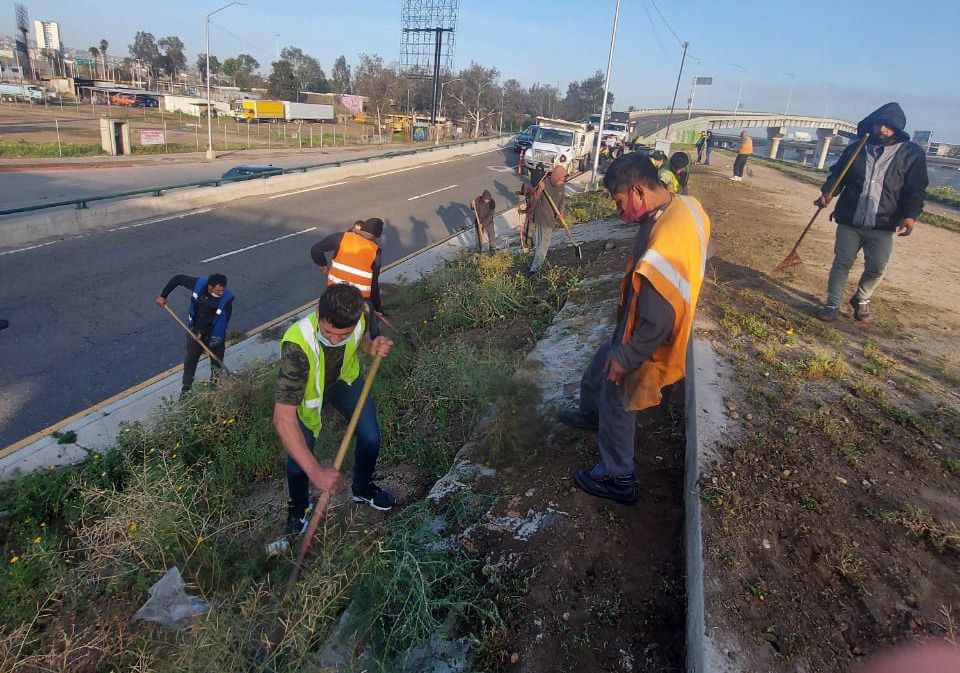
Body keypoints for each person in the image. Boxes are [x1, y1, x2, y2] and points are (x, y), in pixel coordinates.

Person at [558, 152, 710, 504]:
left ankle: (617, 476)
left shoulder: (665, 243)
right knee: (599, 366)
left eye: (619, 201)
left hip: (646, 335)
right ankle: (589, 412)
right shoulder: (686, 206)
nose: (618, 211)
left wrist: (627, 356)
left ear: (639, 191)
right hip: (636, 319)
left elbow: (658, 322)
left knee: (618, 394)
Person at [273, 283, 396, 536]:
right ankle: (298, 509)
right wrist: (316, 472)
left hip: (345, 381)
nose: (335, 340)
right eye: (329, 332)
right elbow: (283, 418)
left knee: (371, 437)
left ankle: (362, 489)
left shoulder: (360, 315)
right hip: (308, 396)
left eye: (343, 334)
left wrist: (371, 347)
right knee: (299, 462)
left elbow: (361, 338)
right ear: (319, 312)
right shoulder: (297, 345)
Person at [815, 102, 928, 324]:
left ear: (897, 129)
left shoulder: (912, 153)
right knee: (842, 263)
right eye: (880, 125)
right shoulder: (856, 148)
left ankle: (862, 298)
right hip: (850, 218)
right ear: (872, 125)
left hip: (884, 222)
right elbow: (839, 176)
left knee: (877, 267)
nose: (883, 130)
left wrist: (910, 216)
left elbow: (915, 189)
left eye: (889, 127)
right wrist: (827, 193)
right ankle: (832, 304)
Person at [155, 273, 234, 395]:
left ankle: (215, 387)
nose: (221, 293)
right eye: (219, 290)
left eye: (223, 290)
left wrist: (209, 338)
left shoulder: (226, 300)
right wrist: (163, 295)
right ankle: (186, 389)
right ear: (210, 287)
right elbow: (178, 279)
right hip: (195, 329)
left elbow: (222, 322)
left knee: (216, 361)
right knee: (191, 359)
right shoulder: (199, 284)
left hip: (215, 333)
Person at [312, 218, 385, 336]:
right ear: (377, 236)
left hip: (334, 293)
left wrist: (322, 264)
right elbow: (374, 285)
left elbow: (315, 249)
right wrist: (377, 308)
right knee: (370, 323)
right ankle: (374, 340)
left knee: (326, 321)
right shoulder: (375, 251)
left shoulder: (341, 237)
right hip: (359, 299)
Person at [528, 164, 567, 275]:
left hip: (551, 218)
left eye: (563, 181)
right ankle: (535, 270)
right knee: (543, 246)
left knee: (541, 244)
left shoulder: (562, 186)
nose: (561, 183)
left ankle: (531, 265)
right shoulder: (544, 184)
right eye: (560, 180)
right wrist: (539, 190)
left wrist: (561, 212)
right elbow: (533, 202)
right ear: (555, 177)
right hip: (543, 218)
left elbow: (562, 200)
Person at [470, 190, 497, 254]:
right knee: (478, 237)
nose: (487, 200)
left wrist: (483, 224)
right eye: (486, 199)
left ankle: (492, 249)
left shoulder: (492, 203)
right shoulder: (478, 200)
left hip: (488, 222)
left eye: (488, 199)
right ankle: (478, 251)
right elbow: (473, 208)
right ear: (483, 198)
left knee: (491, 235)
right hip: (479, 221)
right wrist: (472, 205)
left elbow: (491, 215)